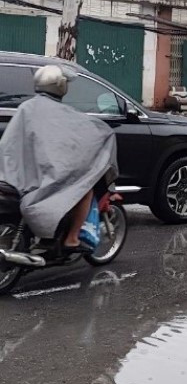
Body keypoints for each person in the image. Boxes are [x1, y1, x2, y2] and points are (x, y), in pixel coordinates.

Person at [0, 65, 118, 253]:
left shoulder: (26, 108)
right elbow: (82, 139)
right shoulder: (64, 114)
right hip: (46, 178)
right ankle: (71, 239)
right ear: (61, 86)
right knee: (83, 189)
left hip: (16, 175)